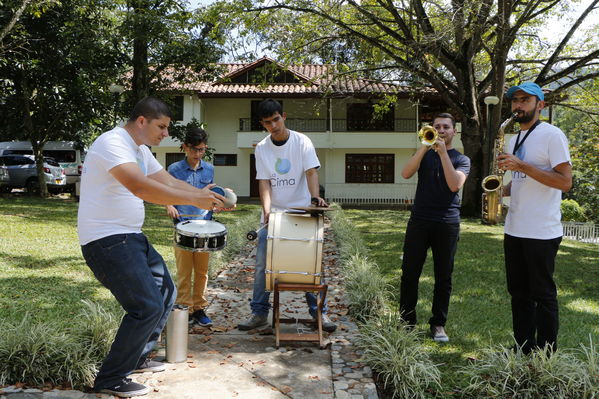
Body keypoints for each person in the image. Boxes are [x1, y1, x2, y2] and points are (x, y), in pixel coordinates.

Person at [78, 97, 224, 397]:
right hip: (107, 240)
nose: (165, 134)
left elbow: (167, 180)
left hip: (131, 236)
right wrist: (194, 200)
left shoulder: (140, 150)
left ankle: (140, 357)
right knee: (145, 306)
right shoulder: (112, 142)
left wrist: (202, 193)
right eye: (162, 126)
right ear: (141, 121)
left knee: (166, 292)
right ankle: (111, 379)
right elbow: (141, 187)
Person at [237, 98, 336, 333]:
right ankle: (260, 313)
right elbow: (264, 183)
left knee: (311, 265)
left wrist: (314, 199)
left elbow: (311, 172)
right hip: (275, 216)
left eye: (276, 119)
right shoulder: (262, 148)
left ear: (284, 116)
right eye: (268, 122)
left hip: (302, 214)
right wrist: (267, 212)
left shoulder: (302, 141)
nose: (274, 126)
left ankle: (320, 313)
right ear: (262, 124)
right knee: (263, 264)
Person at [498, 82, 572, 354]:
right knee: (518, 294)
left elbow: (565, 182)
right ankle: (523, 347)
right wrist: (499, 189)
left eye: (525, 100)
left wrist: (522, 165)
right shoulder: (512, 138)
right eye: (515, 100)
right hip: (514, 228)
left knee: (543, 296)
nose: (518, 105)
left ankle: (547, 353)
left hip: (542, 231)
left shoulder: (552, 135)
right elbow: (520, 179)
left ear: (540, 105)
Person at [399, 113, 470, 342]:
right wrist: (424, 146)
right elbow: (406, 173)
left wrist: (442, 154)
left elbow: (454, 185)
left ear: (454, 132)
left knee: (443, 276)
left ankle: (438, 324)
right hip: (420, 219)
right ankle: (407, 321)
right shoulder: (425, 153)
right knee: (410, 272)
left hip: (447, 222)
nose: (440, 130)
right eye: (436, 127)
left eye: (445, 127)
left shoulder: (461, 159)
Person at [165, 128, 215, 327]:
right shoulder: (174, 169)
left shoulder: (210, 169)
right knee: (184, 270)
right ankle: (184, 307)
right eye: (194, 150)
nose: (197, 154)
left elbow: (210, 195)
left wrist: (218, 204)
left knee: (202, 271)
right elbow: (165, 192)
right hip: (182, 226)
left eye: (202, 150)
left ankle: (199, 308)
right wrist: (168, 204)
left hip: (205, 227)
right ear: (185, 147)